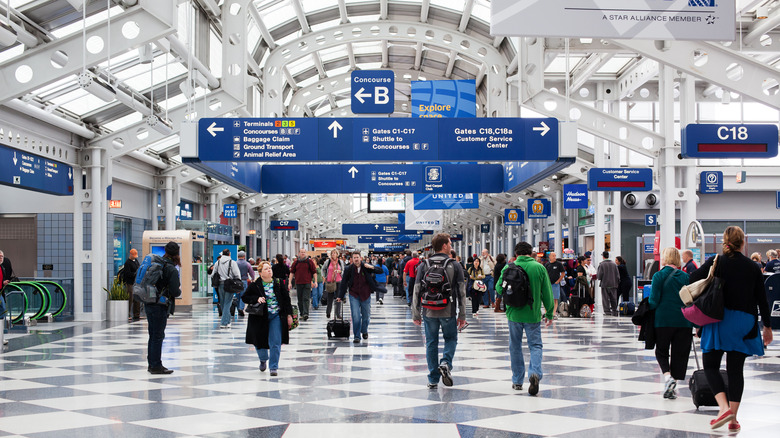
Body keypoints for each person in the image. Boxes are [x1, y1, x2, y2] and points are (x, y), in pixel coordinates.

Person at [688, 226, 773, 431]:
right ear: (742, 243)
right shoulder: (753, 266)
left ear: (724, 242)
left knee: (710, 365)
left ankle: (724, 407)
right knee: (736, 370)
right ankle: (733, 420)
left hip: (719, 319)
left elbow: (692, 280)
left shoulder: (716, 262)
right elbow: (762, 298)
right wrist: (767, 327)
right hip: (744, 322)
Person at [496, 241, 554, 395]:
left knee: (514, 346)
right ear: (530, 252)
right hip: (532, 314)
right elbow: (547, 292)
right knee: (535, 345)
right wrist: (549, 313)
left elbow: (498, 288)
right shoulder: (539, 267)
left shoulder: (508, 267)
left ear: (516, 254)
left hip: (513, 313)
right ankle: (534, 373)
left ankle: (517, 380)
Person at [412, 233, 467, 389]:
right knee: (450, 339)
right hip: (448, 310)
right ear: (444, 246)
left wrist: (415, 313)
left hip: (428, 310)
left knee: (431, 343)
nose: (451, 246)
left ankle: (433, 379)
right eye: (449, 243)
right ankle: (446, 363)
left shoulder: (424, 264)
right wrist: (462, 314)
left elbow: (416, 289)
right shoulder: (454, 264)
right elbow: (462, 292)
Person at [648, 247, 693, 400]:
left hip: (663, 320)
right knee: (679, 353)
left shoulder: (658, 276)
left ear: (665, 258)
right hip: (683, 320)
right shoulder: (685, 277)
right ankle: (673, 384)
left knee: (661, 351)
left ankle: (668, 378)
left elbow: (653, 301)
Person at [242, 261, 293, 377]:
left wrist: (289, 315)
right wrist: (256, 298)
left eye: (270, 268)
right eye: (266, 269)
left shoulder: (278, 283)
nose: (269, 270)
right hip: (259, 317)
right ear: (260, 273)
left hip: (276, 315)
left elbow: (286, 300)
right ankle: (263, 359)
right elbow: (245, 297)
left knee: (275, 342)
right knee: (259, 342)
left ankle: (273, 367)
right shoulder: (255, 285)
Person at [145, 242, 181, 374]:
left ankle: (152, 363)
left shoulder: (158, 264)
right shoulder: (171, 268)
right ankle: (155, 365)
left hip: (149, 302)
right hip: (160, 305)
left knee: (153, 335)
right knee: (158, 335)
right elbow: (175, 291)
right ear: (177, 253)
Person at [337, 251, 383, 344]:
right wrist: (340, 296)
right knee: (356, 316)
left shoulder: (366, 267)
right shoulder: (348, 269)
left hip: (365, 294)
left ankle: (364, 330)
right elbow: (344, 283)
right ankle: (357, 336)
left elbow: (380, 271)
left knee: (366, 316)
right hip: (353, 294)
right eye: (354, 258)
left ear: (360, 258)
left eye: (357, 257)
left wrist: (372, 267)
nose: (356, 259)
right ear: (352, 259)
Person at [289, 248, 318, 321]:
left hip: (307, 283)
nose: (303, 253)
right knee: (300, 299)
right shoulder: (296, 262)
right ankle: (301, 313)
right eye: (301, 252)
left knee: (306, 298)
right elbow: (292, 272)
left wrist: (315, 281)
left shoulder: (309, 261)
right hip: (298, 283)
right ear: (299, 253)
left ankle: (306, 314)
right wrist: (289, 282)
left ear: (306, 253)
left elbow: (314, 272)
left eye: (304, 252)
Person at [216, 249, 241, 329]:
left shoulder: (218, 262)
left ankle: (227, 321)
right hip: (229, 284)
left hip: (220, 284)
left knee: (223, 302)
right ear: (229, 254)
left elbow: (213, 273)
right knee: (228, 302)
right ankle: (224, 322)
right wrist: (238, 284)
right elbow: (237, 274)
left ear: (222, 254)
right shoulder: (232, 262)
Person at [322, 250, 345, 318]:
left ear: (337, 254)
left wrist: (340, 271)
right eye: (332, 253)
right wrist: (324, 276)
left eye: (335, 253)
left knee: (338, 298)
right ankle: (328, 312)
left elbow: (343, 270)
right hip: (330, 281)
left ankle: (338, 313)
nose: (333, 255)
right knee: (330, 297)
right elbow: (323, 269)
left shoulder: (340, 262)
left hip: (338, 281)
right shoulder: (328, 262)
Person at [597, 251, 620, 316]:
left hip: (605, 284)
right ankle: (614, 310)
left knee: (605, 298)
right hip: (613, 284)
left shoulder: (601, 264)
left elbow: (599, 276)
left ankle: (607, 311)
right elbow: (618, 276)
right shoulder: (614, 264)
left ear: (603, 256)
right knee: (613, 298)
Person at [235, 251, 256, 317]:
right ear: (244, 256)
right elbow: (251, 272)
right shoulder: (247, 264)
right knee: (243, 295)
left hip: (236, 281)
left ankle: (238, 308)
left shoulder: (235, 263)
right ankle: (241, 308)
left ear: (238, 256)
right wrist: (253, 278)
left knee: (237, 296)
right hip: (244, 281)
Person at [545, 252, 565, 318]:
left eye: (555, 256)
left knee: (555, 299)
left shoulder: (558, 264)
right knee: (547, 299)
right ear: (549, 256)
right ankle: (546, 313)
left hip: (555, 284)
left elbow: (563, 273)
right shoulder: (547, 264)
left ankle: (553, 313)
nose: (554, 257)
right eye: (553, 256)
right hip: (548, 284)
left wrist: (558, 281)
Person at [123, 249, 141, 322]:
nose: (135, 257)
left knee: (137, 298)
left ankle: (137, 314)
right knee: (130, 298)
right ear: (130, 254)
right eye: (133, 256)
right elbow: (127, 273)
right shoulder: (127, 263)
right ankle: (128, 314)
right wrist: (134, 274)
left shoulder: (136, 261)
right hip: (130, 283)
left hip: (136, 283)